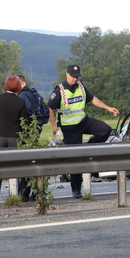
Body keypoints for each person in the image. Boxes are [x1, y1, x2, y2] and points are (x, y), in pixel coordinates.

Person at [47, 65, 119, 198]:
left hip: (83, 122)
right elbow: (50, 108)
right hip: (69, 129)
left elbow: (92, 99)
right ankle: (76, 189)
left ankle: (88, 145)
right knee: (75, 160)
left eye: (77, 76)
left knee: (105, 130)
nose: (76, 79)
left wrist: (108, 108)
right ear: (67, 75)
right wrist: (53, 127)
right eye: (74, 76)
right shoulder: (59, 90)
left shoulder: (80, 86)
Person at [0, 76, 30, 202]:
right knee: (16, 165)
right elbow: (25, 123)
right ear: (17, 86)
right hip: (15, 138)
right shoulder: (20, 102)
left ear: (6, 85)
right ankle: (16, 193)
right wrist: (26, 138)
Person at [14, 74, 46, 201]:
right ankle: (35, 191)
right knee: (32, 160)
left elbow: (26, 110)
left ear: (23, 84)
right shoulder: (34, 93)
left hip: (28, 132)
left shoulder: (22, 95)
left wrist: (23, 127)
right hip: (36, 130)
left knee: (26, 162)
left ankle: (23, 193)